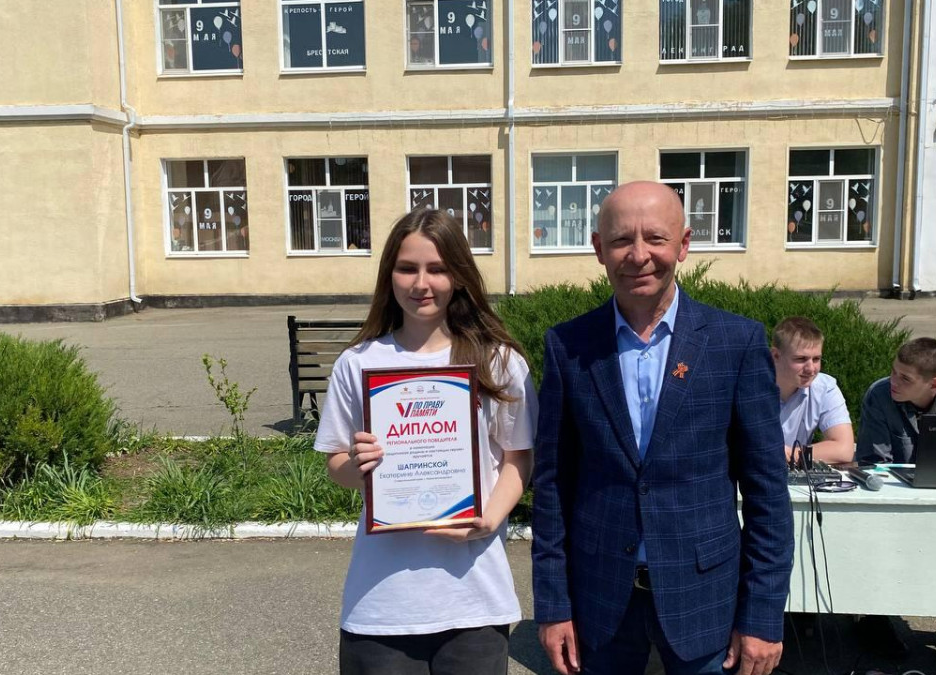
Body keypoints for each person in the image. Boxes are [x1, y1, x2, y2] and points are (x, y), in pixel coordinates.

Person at [531, 181, 794, 675]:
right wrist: (552, 605)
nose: (638, 255)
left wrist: (762, 614)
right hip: (599, 600)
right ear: (598, 249)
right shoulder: (568, 346)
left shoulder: (735, 343)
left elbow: (767, 492)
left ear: (684, 244)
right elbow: (551, 485)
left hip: (705, 597)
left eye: (655, 238)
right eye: (620, 240)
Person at [314, 208, 536, 675]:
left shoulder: (498, 362)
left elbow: (518, 457)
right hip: (381, 603)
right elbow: (337, 465)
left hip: (474, 600)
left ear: (459, 276)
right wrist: (357, 465)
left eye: (437, 269)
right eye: (407, 268)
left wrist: (490, 518)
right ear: (388, 275)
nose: (421, 283)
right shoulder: (358, 363)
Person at [854, 336, 936, 666]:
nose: (893, 382)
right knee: (871, 524)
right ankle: (874, 616)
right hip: (894, 500)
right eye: (893, 372)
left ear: (935, 383)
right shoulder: (879, 395)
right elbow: (872, 463)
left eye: (905, 378)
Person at [770, 316, 854, 465]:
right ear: (776, 355)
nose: (810, 369)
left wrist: (788, 454)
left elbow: (844, 449)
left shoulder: (825, 388)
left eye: (816, 359)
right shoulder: (748, 387)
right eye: (801, 359)